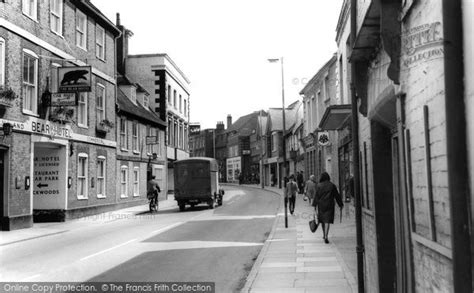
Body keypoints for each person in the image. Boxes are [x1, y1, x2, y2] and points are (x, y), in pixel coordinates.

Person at [312, 172, 343, 244]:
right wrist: (340, 204)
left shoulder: (319, 186)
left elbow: (316, 196)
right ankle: (326, 235)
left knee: (322, 220)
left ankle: (324, 234)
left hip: (321, 205)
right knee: (327, 220)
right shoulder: (332, 185)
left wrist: (314, 205)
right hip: (329, 204)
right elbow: (337, 195)